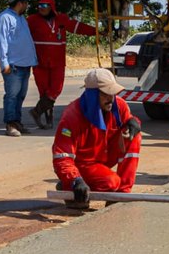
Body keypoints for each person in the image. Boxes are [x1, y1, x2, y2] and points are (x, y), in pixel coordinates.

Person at [52, 69, 142, 209]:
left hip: (104, 156)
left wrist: (134, 122)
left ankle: (121, 194)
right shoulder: (72, 117)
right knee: (111, 182)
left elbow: (129, 120)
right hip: (83, 165)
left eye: (112, 93)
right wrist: (74, 180)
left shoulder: (119, 106)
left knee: (134, 135)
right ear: (92, 95)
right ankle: (69, 187)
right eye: (105, 94)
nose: (111, 98)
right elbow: (62, 156)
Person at [27, 0, 97, 129]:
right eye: (39, 5)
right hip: (39, 63)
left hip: (58, 62)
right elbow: (20, 34)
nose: (41, 8)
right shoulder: (32, 20)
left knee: (55, 89)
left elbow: (79, 28)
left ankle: (36, 112)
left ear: (51, 7)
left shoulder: (62, 19)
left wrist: (97, 32)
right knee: (44, 92)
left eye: (44, 5)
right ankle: (48, 120)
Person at [0, 0, 38, 137]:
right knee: (12, 96)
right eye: (26, 3)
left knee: (20, 96)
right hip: (13, 66)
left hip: (24, 65)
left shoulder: (21, 19)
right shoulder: (5, 17)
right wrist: (4, 62)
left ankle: (17, 121)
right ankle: (10, 124)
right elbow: (0, 41)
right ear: (20, 3)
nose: (27, 6)